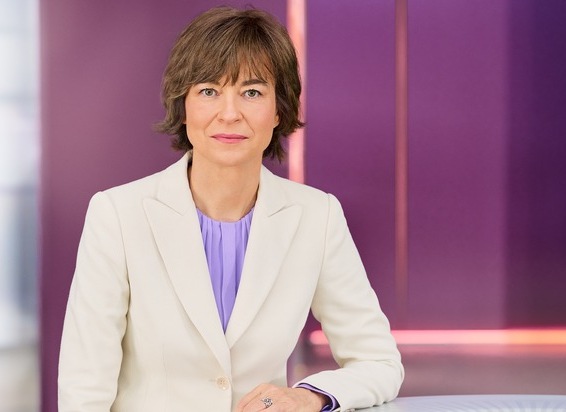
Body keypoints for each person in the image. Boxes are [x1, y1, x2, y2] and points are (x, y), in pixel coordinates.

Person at [58, 6, 403, 412]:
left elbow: (379, 362)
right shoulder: (117, 214)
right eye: (209, 91)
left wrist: (309, 395)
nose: (229, 113)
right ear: (183, 105)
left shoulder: (317, 216)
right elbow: (84, 388)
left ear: (279, 109)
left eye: (252, 92)